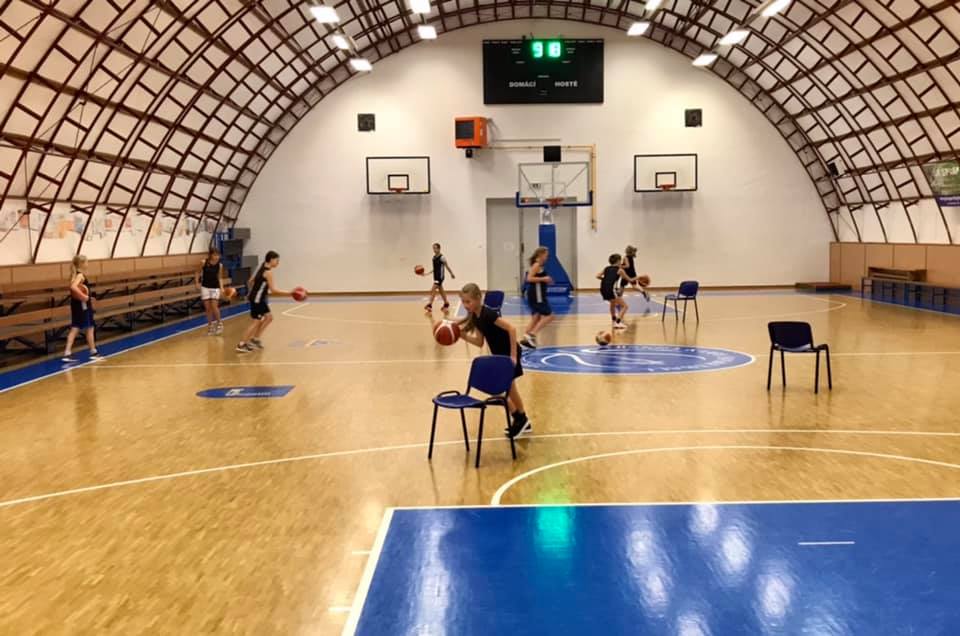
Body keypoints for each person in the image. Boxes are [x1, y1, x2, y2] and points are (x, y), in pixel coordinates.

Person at [457, 283, 531, 438]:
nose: (465, 305)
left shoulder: (488, 314)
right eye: (463, 302)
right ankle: (521, 419)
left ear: (478, 298)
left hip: (509, 353)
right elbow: (479, 342)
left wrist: (513, 355)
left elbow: (511, 329)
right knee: (507, 389)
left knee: (508, 389)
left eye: (468, 301)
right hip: (499, 355)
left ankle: (521, 418)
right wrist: (462, 336)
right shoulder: (476, 317)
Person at [236, 251, 291, 353]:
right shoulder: (268, 273)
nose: (278, 263)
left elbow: (250, 281)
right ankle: (241, 344)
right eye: (277, 260)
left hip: (258, 298)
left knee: (269, 318)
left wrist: (252, 292)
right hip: (258, 300)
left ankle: (255, 339)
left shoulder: (261, 266)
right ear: (271, 259)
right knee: (256, 322)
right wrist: (289, 293)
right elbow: (273, 290)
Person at [63, 255, 103, 363]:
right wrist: (84, 297)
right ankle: (93, 352)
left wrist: (87, 297)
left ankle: (67, 353)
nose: (88, 264)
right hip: (82, 305)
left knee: (75, 327)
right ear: (82, 264)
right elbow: (73, 287)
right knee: (90, 327)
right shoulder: (80, 275)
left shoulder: (75, 274)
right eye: (87, 262)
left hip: (76, 305)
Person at [520, 246, 555, 349]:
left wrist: (546, 280)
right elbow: (529, 278)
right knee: (550, 316)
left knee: (536, 317)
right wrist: (544, 279)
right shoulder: (536, 265)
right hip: (537, 294)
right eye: (546, 255)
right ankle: (532, 334)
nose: (547, 257)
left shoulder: (539, 265)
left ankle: (525, 339)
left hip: (537, 293)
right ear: (540, 255)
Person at [196, 247, 225, 335]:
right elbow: (197, 272)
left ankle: (219, 324)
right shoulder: (203, 262)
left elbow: (220, 277)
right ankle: (210, 326)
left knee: (214, 306)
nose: (217, 257)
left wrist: (221, 288)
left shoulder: (220, 265)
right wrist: (197, 282)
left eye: (218, 255)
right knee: (208, 308)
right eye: (215, 255)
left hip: (215, 288)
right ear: (211, 255)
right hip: (205, 287)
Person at [598, 253, 632, 331]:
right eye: (620, 260)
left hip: (603, 289)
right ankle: (618, 322)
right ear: (618, 261)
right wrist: (639, 277)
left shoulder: (606, 268)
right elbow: (630, 280)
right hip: (611, 290)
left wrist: (605, 280)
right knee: (625, 306)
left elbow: (597, 276)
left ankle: (613, 320)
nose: (621, 262)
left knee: (612, 304)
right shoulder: (620, 270)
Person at [424, 243, 455, 313]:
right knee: (441, 290)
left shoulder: (442, 257)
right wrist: (427, 273)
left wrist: (451, 273)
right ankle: (446, 303)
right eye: (433, 248)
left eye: (435, 248)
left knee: (433, 289)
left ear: (439, 248)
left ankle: (429, 305)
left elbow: (447, 266)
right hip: (435, 276)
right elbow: (435, 268)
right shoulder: (433, 258)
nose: (434, 249)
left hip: (440, 277)